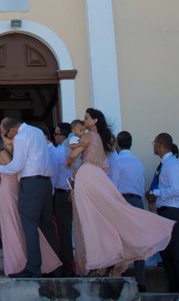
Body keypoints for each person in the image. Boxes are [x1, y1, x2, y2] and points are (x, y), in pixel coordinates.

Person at [67, 109, 173, 280]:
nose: (84, 121)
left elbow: (73, 155)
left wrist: (68, 161)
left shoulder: (88, 137)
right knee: (105, 219)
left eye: (86, 118)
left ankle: (97, 260)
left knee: (88, 219)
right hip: (100, 179)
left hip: (88, 177)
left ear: (94, 121)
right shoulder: (101, 140)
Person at [0, 116, 58, 278]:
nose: (8, 138)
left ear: (12, 131)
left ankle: (33, 267)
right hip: (46, 182)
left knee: (29, 224)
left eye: (6, 134)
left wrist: (1, 169)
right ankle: (54, 267)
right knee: (47, 225)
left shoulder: (21, 137)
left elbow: (17, 165)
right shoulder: (38, 131)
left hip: (31, 183)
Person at [147, 132, 179, 301]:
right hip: (165, 210)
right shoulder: (164, 164)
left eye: (154, 143)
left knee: (177, 254)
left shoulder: (172, 164)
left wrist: (154, 193)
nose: (153, 146)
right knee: (167, 254)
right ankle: (174, 292)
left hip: (174, 211)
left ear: (160, 144)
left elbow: (176, 190)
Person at [112, 130, 151, 290]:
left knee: (119, 241)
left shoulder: (117, 161)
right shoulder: (138, 162)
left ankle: (118, 278)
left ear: (117, 144)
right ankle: (140, 280)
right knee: (138, 243)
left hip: (122, 201)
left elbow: (113, 185)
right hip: (137, 201)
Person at [49, 122, 75, 273]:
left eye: (56, 134)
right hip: (72, 193)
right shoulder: (74, 150)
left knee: (62, 232)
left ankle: (65, 265)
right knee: (69, 231)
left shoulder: (58, 153)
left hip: (60, 194)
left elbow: (53, 176)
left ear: (63, 136)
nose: (55, 137)